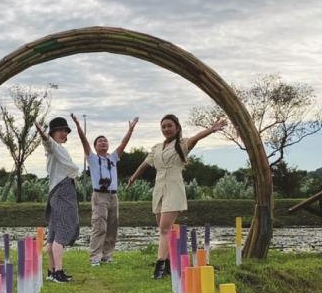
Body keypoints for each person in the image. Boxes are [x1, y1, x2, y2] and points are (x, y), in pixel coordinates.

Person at [127, 114, 227, 279]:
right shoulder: (157, 148)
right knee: (163, 229)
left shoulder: (181, 145)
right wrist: (133, 178)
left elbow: (196, 138)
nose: (166, 129)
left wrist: (211, 129)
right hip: (159, 189)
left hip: (174, 189)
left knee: (165, 229)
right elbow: (144, 165)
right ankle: (169, 265)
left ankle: (159, 266)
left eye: (169, 126)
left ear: (177, 127)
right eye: (163, 126)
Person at [71, 113, 137, 266]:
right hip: (99, 195)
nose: (103, 142)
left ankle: (107, 256)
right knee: (99, 226)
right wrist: (78, 126)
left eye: (105, 141)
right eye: (100, 141)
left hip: (114, 196)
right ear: (95, 146)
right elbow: (84, 141)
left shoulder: (113, 158)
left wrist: (131, 130)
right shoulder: (92, 158)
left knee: (112, 227)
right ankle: (95, 257)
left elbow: (123, 144)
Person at [33, 115, 81, 283]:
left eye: (65, 130)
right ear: (52, 132)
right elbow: (47, 142)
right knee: (62, 231)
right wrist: (42, 133)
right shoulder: (52, 147)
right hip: (62, 191)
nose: (63, 133)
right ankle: (58, 271)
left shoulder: (61, 150)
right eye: (59, 130)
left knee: (53, 234)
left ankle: (53, 270)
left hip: (59, 192)